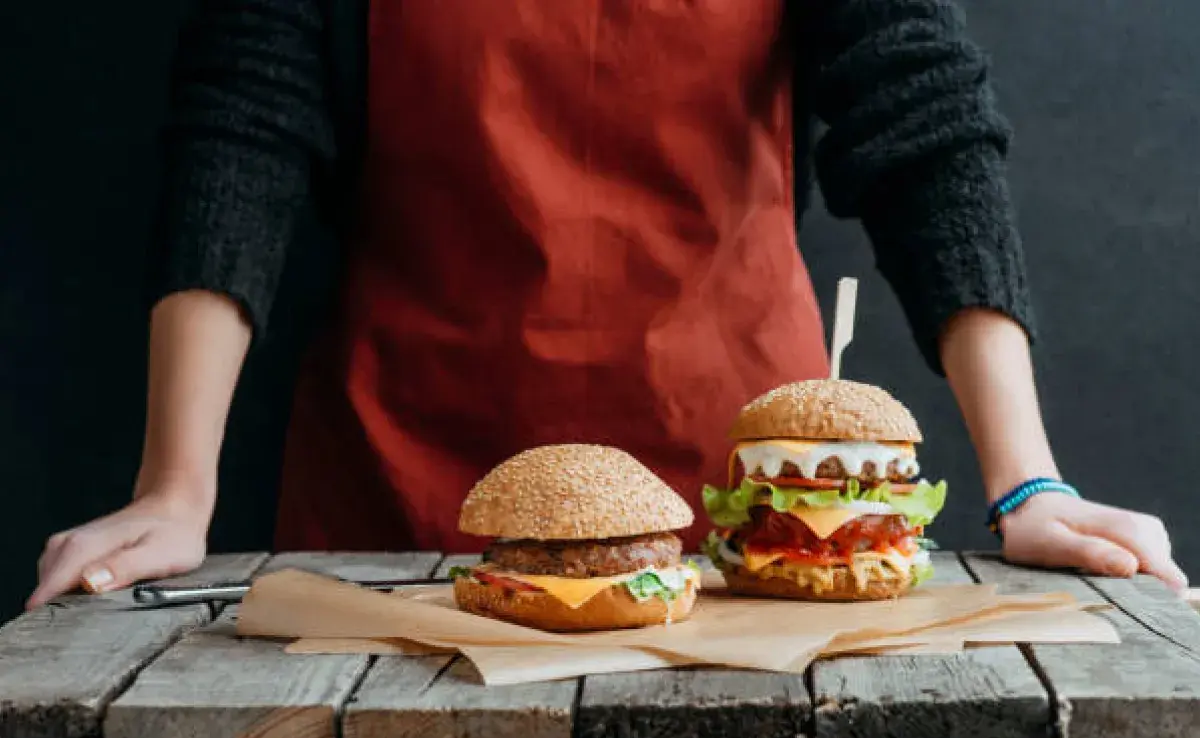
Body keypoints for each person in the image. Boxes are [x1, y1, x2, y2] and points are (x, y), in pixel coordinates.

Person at [27, 0, 1186, 609]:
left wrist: (1027, 481)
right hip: (395, 499)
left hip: (747, 513)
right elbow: (249, 122)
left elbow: (921, 117)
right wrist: (174, 488)